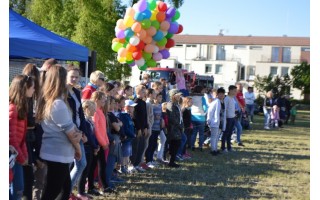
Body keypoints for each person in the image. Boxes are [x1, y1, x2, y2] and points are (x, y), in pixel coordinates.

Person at [35, 65, 82, 200]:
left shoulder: (53, 101)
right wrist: (78, 149)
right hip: (57, 153)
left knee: (63, 189)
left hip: (58, 152)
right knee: (53, 191)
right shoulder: (57, 103)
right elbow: (70, 131)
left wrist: (77, 134)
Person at [9, 74, 35, 199]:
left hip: (16, 156)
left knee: (19, 188)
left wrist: (24, 156)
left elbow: (22, 138)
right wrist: (21, 157)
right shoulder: (12, 109)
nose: (34, 90)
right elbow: (11, 137)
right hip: (12, 156)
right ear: (25, 88)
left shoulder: (20, 108)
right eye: (32, 87)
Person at [66, 65, 89, 200]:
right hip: (69, 133)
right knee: (72, 164)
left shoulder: (76, 92)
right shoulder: (62, 92)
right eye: (72, 76)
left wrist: (84, 132)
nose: (74, 79)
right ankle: (66, 192)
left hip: (79, 131)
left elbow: (80, 113)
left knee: (81, 163)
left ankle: (67, 191)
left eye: (76, 77)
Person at [21, 63, 40, 200]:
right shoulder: (23, 101)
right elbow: (25, 124)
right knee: (26, 176)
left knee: (28, 176)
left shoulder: (29, 99)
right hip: (23, 141)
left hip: (26, 140)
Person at [88, 91, 109, 195]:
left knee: (102, 165)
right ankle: (94, 186)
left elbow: (103, 129)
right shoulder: (95, 112)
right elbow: (96, 130)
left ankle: (104, 186)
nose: (105, 100)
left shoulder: (100, 110)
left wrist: (106, 141)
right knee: (94, 166)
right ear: (96, 99)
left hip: (102, 142)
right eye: (103, 98)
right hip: (97, 143)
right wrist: (102, 142)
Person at [78, 100, 100, 199]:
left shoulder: (90, 120)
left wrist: (96, 145)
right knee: (84, 171)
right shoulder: (85, 122)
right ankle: (81, 191)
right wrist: (95, 146)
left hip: (91, 147)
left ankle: (85, 190)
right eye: (92, 109)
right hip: (87, 148)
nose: (94, 111)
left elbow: (93, 135)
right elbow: (88, 136)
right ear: (86, 109)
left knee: (88, 170)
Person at [131, 85, 148, 172]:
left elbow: (145, 117)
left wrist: (145, 127)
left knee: (142, 146)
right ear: (138, 92)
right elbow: (135, 117)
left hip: (143, 128)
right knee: (136, 147)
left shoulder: (143, 103)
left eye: (145, 92)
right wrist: (138, 128)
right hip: (137, 128)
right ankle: (133, 164)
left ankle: (137, 164)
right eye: (142, 92)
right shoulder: (136, 101)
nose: (144, 93)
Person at [166, 89, 184, 168]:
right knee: (174, 144)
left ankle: (172, 160)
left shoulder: (177, 104)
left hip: (178, 128)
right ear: (173, 96)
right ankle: (171, 161)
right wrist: (180, 125)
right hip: (173, 128)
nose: (179, 96)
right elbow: (172, 118)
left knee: (177, 144)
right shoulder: (171, 105)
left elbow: (180, 117)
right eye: (178, 95)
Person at [118, 100, 137, 173]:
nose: (133, 108)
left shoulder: (128, 116)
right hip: (126, 138)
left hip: (129, 138)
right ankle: (122, 167)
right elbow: (125, 128)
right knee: (124, 153)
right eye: (132, 107)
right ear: (127, 107)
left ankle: (125, 166)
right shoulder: (123, 115)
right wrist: (132, 134)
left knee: (128, 153)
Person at [207, 88, 226, 156]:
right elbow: (210, 111)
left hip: (220, 122)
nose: (221, 95)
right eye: (220, 94)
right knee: (214, 136)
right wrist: (209, 120)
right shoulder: (216, 101)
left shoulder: (222, 102)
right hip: (215, 122)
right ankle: (213, 150)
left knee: (217, 136)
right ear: (217, 94)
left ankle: (215, 149)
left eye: (223, 94)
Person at [146, 92, 163, 168]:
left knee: (154, 145)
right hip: (152, 128)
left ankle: (152, 159)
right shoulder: (151, 106)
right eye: (158, 97)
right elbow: (150, 116)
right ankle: (148, 161)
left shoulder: (160, 106)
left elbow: (161, 116)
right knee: (150, 145)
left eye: (161, 97)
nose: (160, 99)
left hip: (157, 128)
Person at [190, 85, 208, 151]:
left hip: (193, 116)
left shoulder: (191, 97)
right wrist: (205, 112)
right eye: (203, 90)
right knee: (201, 133)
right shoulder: (202, 98)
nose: (204, 91)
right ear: (200, 90)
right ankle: (200, 146)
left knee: (193, 133)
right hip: (201, 117)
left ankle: (192, 146)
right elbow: (205, 107)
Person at [221, 85, 237, 153]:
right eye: (234, 91)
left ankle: (229, 147)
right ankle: (223, 147)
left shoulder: (233, 98)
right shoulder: (227, 98)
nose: (235, 92)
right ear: (230, 90)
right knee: (225, 133)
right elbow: (225, 109)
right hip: (228, 118)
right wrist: (225, 118)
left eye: (236, 91)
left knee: (230, 133)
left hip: (232, 117)